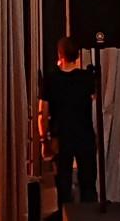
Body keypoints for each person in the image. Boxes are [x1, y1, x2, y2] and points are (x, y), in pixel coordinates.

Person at [39, 36, 98, 206]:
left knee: (63, 186)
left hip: (61, 137)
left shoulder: (50, 80)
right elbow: (95, 102)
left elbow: (43, 113)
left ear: (60, 55)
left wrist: (44, 141)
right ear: (78, 55)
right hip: (85, 135)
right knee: (88, 184)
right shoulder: (87, 79)